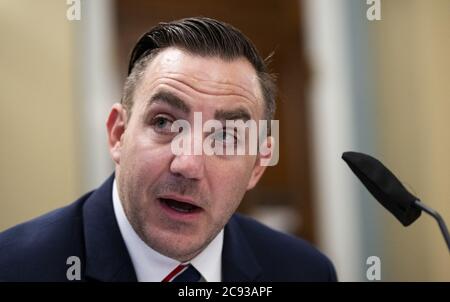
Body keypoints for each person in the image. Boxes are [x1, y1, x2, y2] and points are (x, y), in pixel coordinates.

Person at [0, 17, 337, 282]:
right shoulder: (13, 268)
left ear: (258, 167)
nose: (188, 164)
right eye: (164, 123)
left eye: (225, 136)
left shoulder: (305, 272)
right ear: (118, 134)